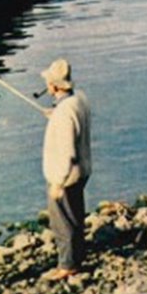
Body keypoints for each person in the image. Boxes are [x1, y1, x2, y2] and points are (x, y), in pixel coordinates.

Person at [39, 58, 92, 281]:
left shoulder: (64, 113)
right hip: (82, 171)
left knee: (61, 221)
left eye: (48, 82)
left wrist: (58, 183)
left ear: (53, 86)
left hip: (66, 175)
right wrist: (55, 114)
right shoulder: (79, 99)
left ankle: (67, 265)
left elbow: (67, 151)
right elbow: (72, 118)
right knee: (75, 214)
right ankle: (77, 257)